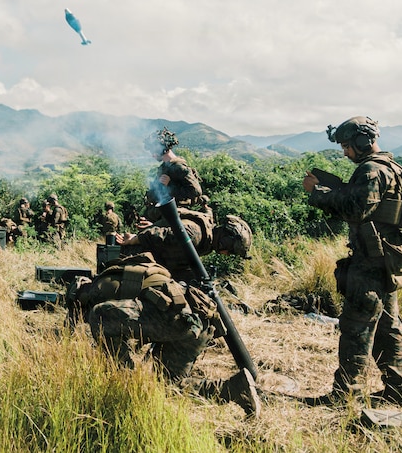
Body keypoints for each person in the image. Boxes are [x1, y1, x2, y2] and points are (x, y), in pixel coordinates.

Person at [300, 116, 402, 409]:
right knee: (388, 330)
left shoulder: (371, 171)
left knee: (356, 329)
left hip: (369, 266)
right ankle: (397, 391)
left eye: (347, 146)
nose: (345, 152)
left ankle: (344, 395)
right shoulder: (393, 167)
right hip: (386, 262)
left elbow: (356, 209)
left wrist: (317, 193)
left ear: (363, 142)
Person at [66, 252, 261, 418]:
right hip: (200, 321)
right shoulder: (120, 275)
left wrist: (123, 372)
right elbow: (136, 322)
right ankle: (236, 389)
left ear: (79, 301)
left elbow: (115, 324)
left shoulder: (99, 295)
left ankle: (127, 386)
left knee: (98, 316)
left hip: (176, 320)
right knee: (169, 385)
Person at [118, 212, 253, 283]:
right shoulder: (196, 235)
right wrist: (133, 240)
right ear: (225, 242)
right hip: (134, 259)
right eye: (230, 251)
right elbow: (158, 235)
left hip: (156, 262)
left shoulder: (205, 238)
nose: (227, 254)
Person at [142, 128, 211, 226]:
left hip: (177, 212)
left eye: (154, 151)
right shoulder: (164, 167)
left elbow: (195, 191)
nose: (153, 155)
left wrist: (170, 186)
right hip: (163, 211)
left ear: (163, 149)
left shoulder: (179, 167)